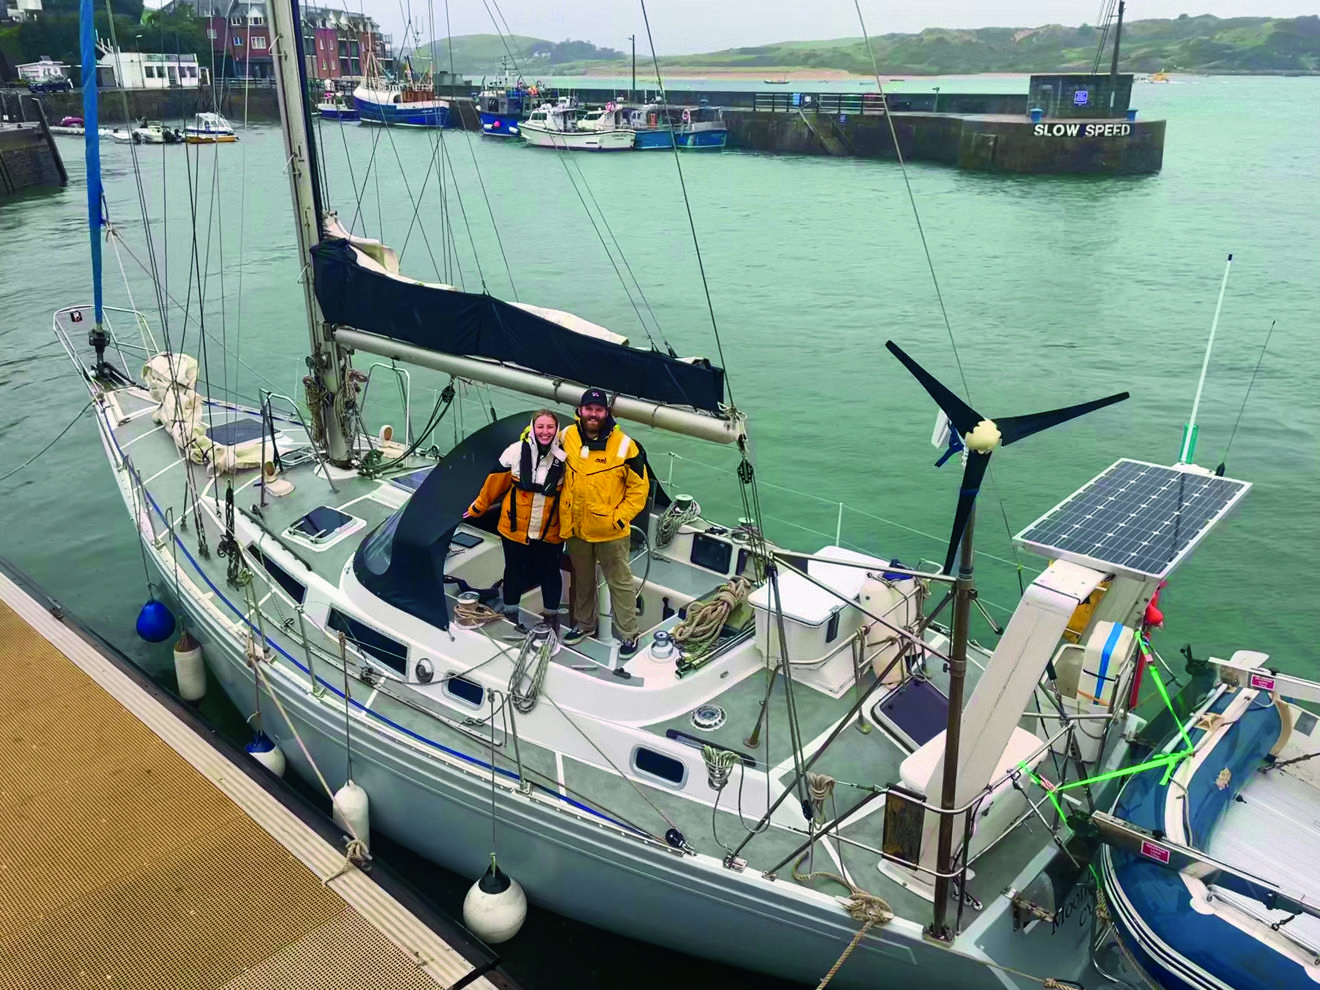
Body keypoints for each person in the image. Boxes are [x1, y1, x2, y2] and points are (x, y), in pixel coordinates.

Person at [558, 388, 649, 658]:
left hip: (610, 531)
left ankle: (629, 634)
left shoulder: (625, 445)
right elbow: (541, 444)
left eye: (598, 410)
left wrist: (618, 517)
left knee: (619, 583)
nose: (593, 414)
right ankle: (585, 625)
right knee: (583, 581)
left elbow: (638, 490)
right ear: (580, 410)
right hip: (576, 528)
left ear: (606, 413)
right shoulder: (567, 436)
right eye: (589, 409)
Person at [465, 410, 566, 632]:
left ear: (556, 430)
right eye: (540, 426)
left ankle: (551, 617)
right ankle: (511, 613)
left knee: (550, 572)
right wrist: (478, 508)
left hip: (549, 530)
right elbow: (494, 485)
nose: (545, 432)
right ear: (533, 427)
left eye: (550, 427)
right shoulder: (515, 452)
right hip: (514, 527)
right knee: (514, 570)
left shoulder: (565, 458)